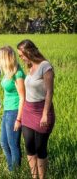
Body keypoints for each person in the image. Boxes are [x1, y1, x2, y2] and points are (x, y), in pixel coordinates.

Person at [17, 39, 55, 179]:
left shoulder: (45, 66)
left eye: (21, 55)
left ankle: (42, 177)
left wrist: (45, 114)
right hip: (28, 111)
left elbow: (49, 92)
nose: (21, 58)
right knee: (29, 147)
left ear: (29, 52)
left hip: (41, 111)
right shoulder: (30, 67)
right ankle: (34, 177)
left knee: (40, 148)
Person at [0, 46, 26, 171]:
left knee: (13, 144)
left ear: (5, 58)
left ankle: (15, 172)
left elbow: (23, 98)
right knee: (4, 143)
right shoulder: (8, 72)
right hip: (7, 111)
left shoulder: (17, 74)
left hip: (14, 112)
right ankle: (11, 170)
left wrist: (18, 119)